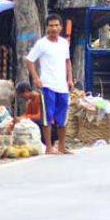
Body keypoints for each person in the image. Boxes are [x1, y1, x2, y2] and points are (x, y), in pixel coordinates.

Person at [26, 13, 74, 155]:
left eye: (56, 25)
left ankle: (61, 146)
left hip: (62, 87)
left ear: (61, 27)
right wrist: (35, 78)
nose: (54, 28)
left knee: (62, 117)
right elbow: (29, 61)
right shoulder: (41, 43)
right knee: (48, 117)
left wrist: (70, 79)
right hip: (47, 86)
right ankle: (48, 147)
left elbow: (67, 61)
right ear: (47, 27)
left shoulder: (64, 43)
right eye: (51, 25)